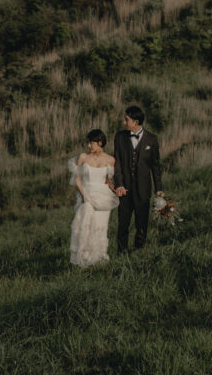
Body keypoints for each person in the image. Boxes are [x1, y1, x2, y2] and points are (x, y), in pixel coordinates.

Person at [113, 105, 163, 254]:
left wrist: (158, 188)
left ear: (135, 122)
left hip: (143, 189)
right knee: (123, 223)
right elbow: (117, 163)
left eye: (126, 119)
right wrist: (119, 184)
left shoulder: (152, 139)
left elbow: (155, 166)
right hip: (125, 189)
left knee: (141, 223)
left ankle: (139, 251)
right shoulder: (120, 137)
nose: (124, 122)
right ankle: (121, 252)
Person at [68, 129, 119, 267]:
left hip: (103, 196)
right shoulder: (83, 157)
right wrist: (84, 196)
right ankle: (83, 258)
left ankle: (99, 258)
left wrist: (116, 189)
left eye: (91, 143)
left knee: (100, 226)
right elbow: (77, 179)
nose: (88, 146)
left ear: (100, 143)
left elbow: (108, 180)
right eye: (88, 143)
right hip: (87, 195)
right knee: (85, 226)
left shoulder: (110, 159)